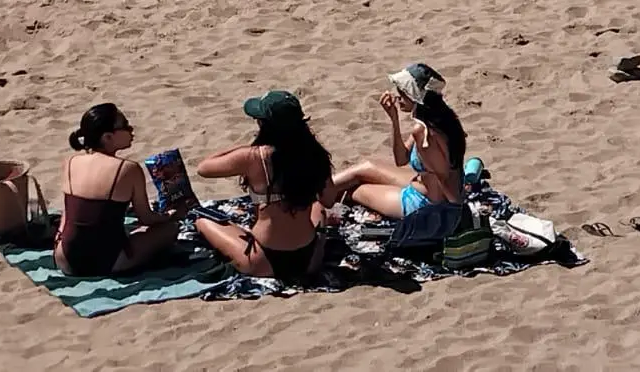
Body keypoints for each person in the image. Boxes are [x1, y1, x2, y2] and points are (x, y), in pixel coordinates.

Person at [193, 90, 334, 281]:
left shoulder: (255, 156)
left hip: (264, 259)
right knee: (317, 208)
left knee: (202, 220)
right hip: (309, 258)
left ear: (264, 125)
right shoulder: (315, 154)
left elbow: (204, 168)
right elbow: (329, 200)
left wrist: (245, 147)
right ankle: (321, 240)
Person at [55, 104, 189, 277]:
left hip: (65, 259)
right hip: (108, 261)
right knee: (169, 229)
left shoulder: (70, 162)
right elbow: (146, 218)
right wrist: (170, 215)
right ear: (108, 137)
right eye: (125, 125)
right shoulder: (127, 169)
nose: (131, 129)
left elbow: (67, 215)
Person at [331, 63, 467, 220]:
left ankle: (307, 199)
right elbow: (401, 159)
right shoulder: (437, 119)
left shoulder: (424, 132)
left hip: (424, 202)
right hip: (423, 186)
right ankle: (312, 191)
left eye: (402, 93)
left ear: (415, 97)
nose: (397, 96)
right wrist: (394, 120)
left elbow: (443, 176)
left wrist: (457, 213)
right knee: (366, 167)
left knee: (354, 191)